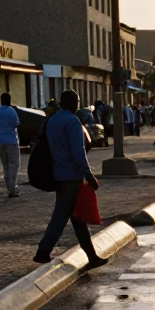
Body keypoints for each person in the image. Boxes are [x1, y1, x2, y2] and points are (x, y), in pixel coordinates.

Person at [33, 89, 107, 267]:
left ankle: (92, 256)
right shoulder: (72, 121)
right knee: (62, 216)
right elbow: (78, 152)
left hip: (58, 173)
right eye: (78, 101)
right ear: (73, 103)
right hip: (71, 176)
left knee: (78, 218)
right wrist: (89, 175)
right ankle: (43, 251)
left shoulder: (52, 120)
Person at [0, 93, 21, 197]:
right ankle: (13, 189)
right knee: (13, 164)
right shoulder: (12, 111)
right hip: (12, 140)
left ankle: (9, 187)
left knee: (5, 165)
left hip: (0, 140)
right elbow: (17, 123)